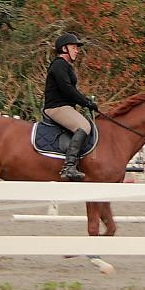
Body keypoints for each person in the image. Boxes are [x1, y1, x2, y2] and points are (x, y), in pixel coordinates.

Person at [43, 32, 98, 181]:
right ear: (64, 49)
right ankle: (69, 167)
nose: (77, 51)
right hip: (56, 107)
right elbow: (67, 89)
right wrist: (86, 102)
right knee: (84, 126)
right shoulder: (59, 65)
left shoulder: (66, 66)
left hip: (65, 107)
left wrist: (86, 102)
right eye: (74, 47)